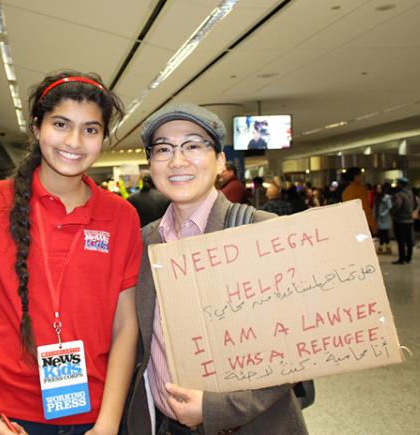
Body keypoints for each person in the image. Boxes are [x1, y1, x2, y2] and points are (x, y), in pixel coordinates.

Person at [0, 71, 142, 435]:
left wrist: (109, 423)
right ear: (37, 127)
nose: (74, 141)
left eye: (91, 129)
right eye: (61, 124)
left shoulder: (121, 216)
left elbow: (125, 325)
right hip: (11, 417)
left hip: (95, 415)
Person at [126, 102, 307, 435]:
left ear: (221, 159)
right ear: (150, 163)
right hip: (162, 425)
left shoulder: (262, 233)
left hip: (250, 426)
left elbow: (296, 350)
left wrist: (214, 409)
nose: (177, 160)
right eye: (164, 149)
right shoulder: (142, 242)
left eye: (193, 145)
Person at [341, 167, 376, 235]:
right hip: (362, 225)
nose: (363, 176)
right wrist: (371, 224)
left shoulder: (347, 190)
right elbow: (365, 209)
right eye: (361, 175)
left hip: (353, 224)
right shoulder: (358, 190)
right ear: (356, 176)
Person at [391, 177, 414, 264]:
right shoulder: (410, 193)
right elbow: (414, 205)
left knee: (401, 240)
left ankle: (401, 259)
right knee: (409, 240)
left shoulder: (399, 195)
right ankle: (409, 257)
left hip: (400, 220)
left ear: (400, 184)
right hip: (410, 220)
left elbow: (397, 206)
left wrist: (392, 212)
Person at [374, 183, 393, 255]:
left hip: (385, 218)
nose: (378, 190)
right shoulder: (377, 197)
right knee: (381, 233)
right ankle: (381, 247)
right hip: (379, 218)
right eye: (377, 188)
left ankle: (387, 247)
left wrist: (383, 213)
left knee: (385, 233)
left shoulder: (387, 197)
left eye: (379, 188)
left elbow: (389, 207)